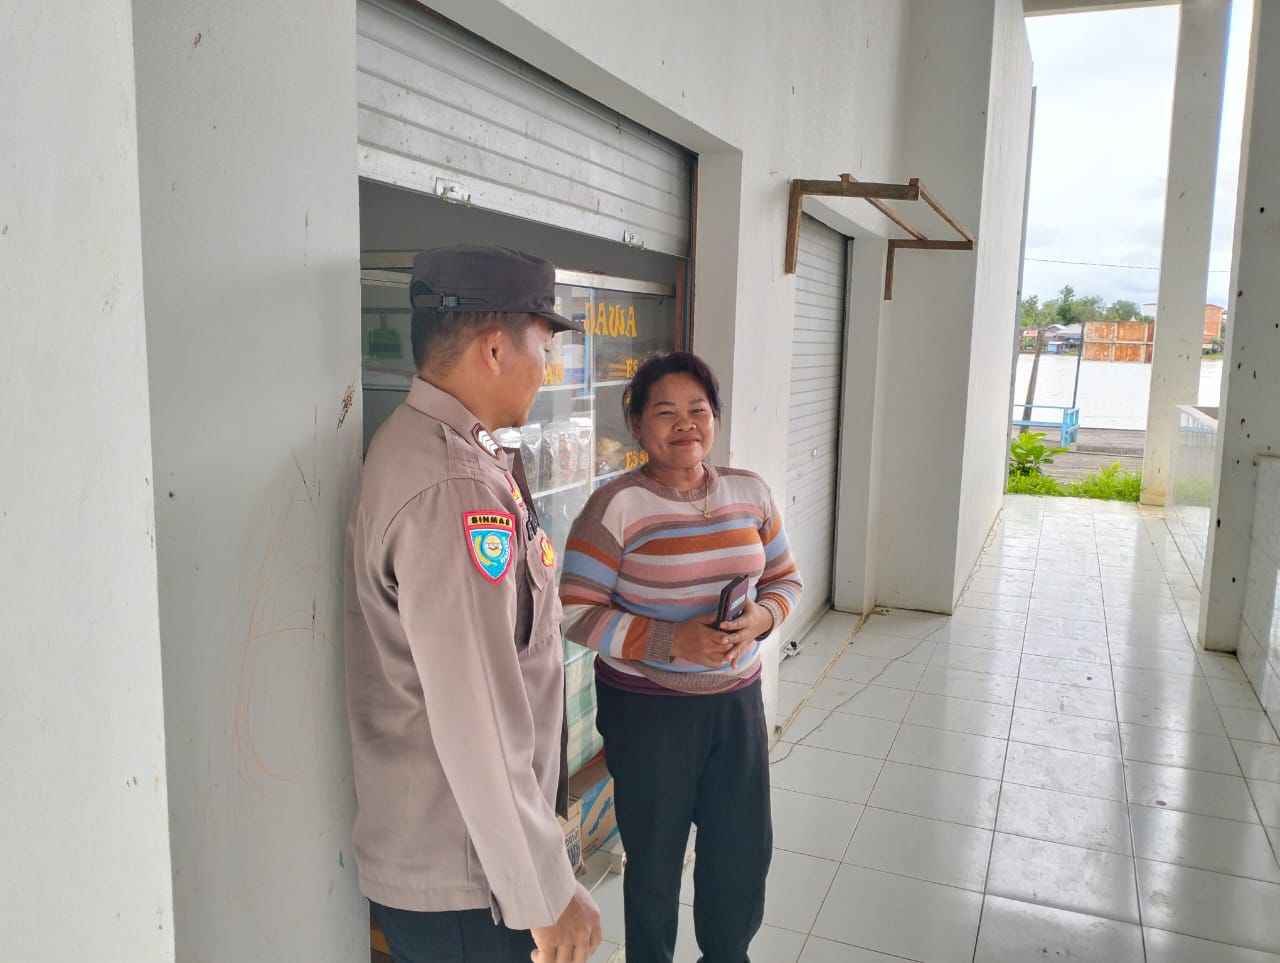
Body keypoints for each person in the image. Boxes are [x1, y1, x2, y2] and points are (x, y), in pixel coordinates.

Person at [344, 245, 602, 963]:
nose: (546, 367)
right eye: (543, 347)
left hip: (464, 864)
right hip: (470, 882)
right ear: (494, 349)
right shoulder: (453, 487)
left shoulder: (439, 451)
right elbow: (478, 716)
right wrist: (544, 893)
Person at [559, 352, 803, 963]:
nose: (685, 424)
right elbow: (574, 610)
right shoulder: (615, 506)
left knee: (741, 853)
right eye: (665, 412)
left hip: (736, 704)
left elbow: (785, 579)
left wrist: (762, 620)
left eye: (698, 409)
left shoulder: (750, 491)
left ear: (714, 418)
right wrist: (671, 641)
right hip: (649, 712)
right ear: (637, 426)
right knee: (655, 861)